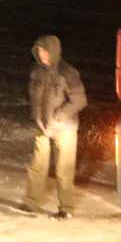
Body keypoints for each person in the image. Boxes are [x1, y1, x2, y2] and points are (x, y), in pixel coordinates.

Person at [23, 35, 87, 218]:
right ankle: (31, 203)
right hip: (42, 125)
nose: (42, 56)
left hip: (64, 127)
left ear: (53, 51)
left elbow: (80, 100)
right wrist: (37, 117)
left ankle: (65, 208)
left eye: (45, 52)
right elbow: (33, 97)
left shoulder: (67, 72)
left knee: (64, 169)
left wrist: (58, 117)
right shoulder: (36, 71)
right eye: (39, 52)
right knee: (37, 166)